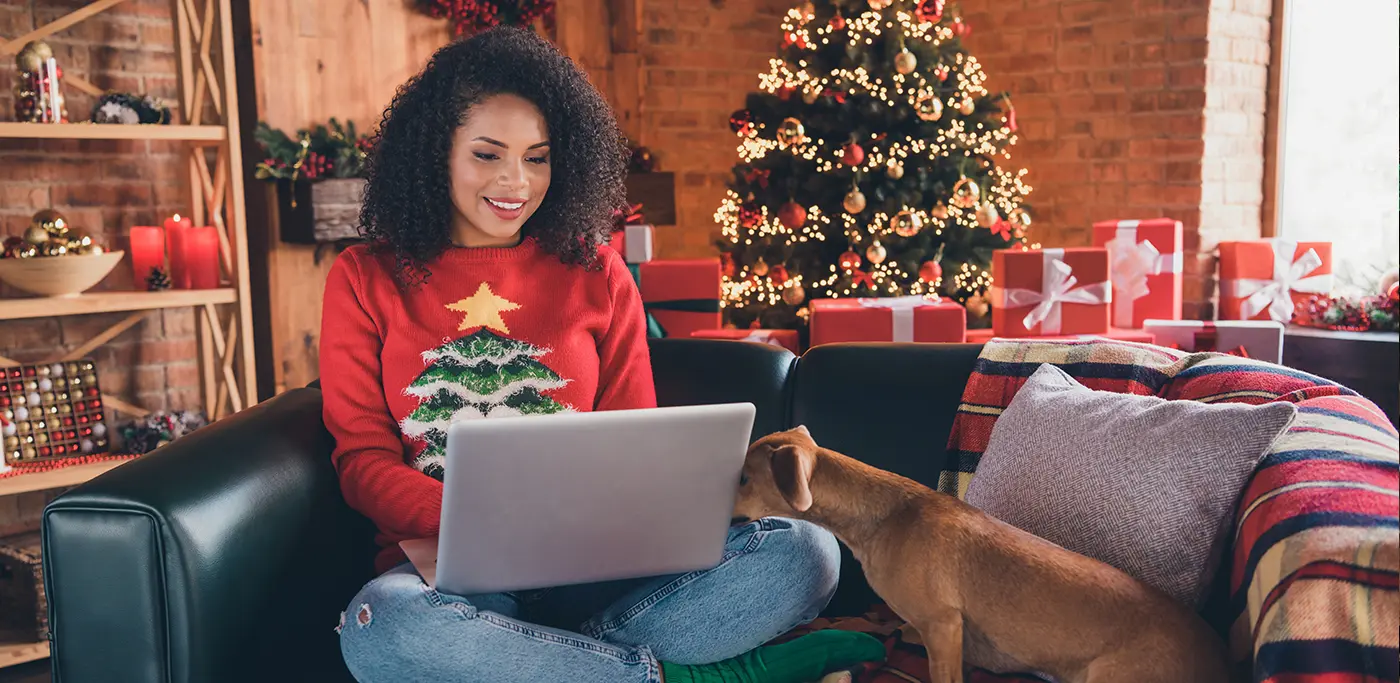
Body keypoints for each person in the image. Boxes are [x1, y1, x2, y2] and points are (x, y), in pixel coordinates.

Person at [319, 27, 885, 683]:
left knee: (808, 552)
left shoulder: (598, 272)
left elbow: (631, 442)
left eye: (538, 157)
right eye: (487, 154)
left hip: (600, 574)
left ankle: (530, 663)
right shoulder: (364, 276)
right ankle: (681, 676)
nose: (514, 181)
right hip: (446, 576)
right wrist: (484, 524)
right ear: (433, 151)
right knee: (383, 631)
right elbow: (362, 460)